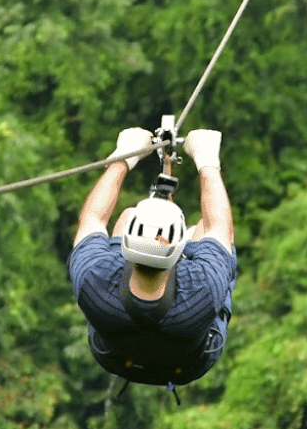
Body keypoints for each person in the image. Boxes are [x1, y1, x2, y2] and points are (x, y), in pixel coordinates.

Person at [67, 127, 237, 392]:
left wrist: (122, 158)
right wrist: (207, 162)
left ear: (127, 245)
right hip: (190, 362)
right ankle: (192, 238)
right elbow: (220, 227)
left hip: (118, 358)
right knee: (207, 229)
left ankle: (155, 232)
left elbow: (92, 219)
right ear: (177, 251)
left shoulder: (95, 278)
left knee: (126, 215)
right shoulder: (202, 288)